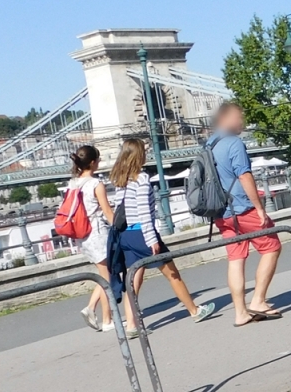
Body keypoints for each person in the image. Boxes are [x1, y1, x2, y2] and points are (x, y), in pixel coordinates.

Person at [106, 138, 216, 335]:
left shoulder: (120, 180)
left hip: (126, 236)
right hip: (142, 234)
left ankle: (131, 325)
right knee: (173, 274)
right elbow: (144, 212)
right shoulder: (141, 179)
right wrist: (151, 239)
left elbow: (120, 211)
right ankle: (194, 310)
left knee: (133, 280)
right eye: (144, 151)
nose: (146, 154)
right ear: (137, 155)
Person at [207, 103, 284, 328]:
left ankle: (240, 313)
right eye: (240, 117)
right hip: (242, 208)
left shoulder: (209, 144)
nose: (243, 122)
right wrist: (259, 207)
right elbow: (244, 176)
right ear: (227, 118)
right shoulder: (234, 143)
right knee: (272, 247)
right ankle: (258, 300)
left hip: (221, 213)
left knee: (236, 259)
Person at [68, 145, 118, 332]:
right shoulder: (96, 184)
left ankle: (90, 308)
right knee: (107, 277)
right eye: (97, 159)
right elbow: (106, 211)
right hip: (97, 232)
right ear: (92, 162)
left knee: (105, 274)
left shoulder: (73, 183)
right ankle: (106, 319)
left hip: (82, 235)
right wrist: (119, 228)